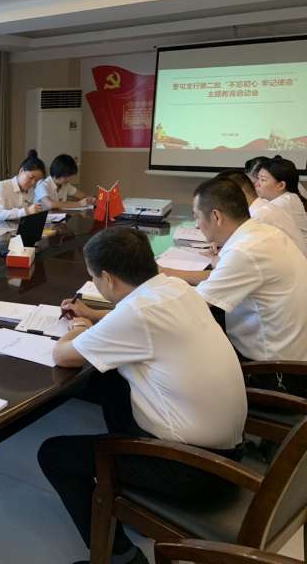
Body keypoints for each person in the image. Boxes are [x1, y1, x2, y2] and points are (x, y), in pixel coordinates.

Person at [39, 227, 246, 564]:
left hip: (192, 468)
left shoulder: (138, 314)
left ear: (108, 278)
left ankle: (121, 557)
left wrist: (79, 327)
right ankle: (122, 490)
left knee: (54, 454)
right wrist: (94, 316)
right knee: (112, 381)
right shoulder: (175, 288)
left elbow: (62, 356)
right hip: (226, 452)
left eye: (94, 278)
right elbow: (134, 322)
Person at [163, 177, 307, 361]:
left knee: (175, 335)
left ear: (216, 216)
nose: (197, 225)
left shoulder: (245, 251)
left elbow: (191, 305)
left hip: (271, 366)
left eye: (196, 216)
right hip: (290, 347)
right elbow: (219, 277)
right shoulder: (262, 232)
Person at [216, 169, 307, 256]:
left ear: (240, 192)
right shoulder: (263, 206)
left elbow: (236, 255)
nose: (221, 203)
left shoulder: (259, 215)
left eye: (223, 196)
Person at [253, 155, 307, 245]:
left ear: (281, 185)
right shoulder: (290, 197)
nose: (256, 184)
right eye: (258, 178)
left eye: (263, 180)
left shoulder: (284, 202)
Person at [0, 149, 46, 228]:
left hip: (18, 229)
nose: (33, 183)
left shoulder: (31, 191)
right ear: (21, 171)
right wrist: (27, 211)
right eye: (31, 177)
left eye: (36, 180)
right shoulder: (2, 186)